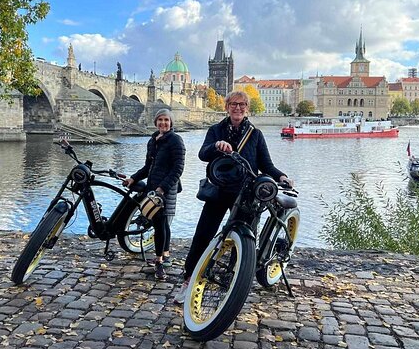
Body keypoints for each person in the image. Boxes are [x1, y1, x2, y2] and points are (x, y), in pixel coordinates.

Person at [174, 91, 293, 303]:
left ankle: (234, 282)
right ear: (227, 107)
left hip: (245, 193)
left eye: (242, 105)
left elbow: (266, 165)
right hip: (219, 191)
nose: (238, 108)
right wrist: (216, 146)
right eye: (233, 104)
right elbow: (203, 154)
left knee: (244, 239)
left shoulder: (255, 134)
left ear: (247, 108)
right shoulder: (216, 130)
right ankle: (188, 279)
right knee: (203, 234)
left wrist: (281, 176)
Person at [123, 109, 185, 280]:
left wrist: (163, 188)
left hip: (167, 189)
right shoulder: (153, 141)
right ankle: (165, 256)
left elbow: (178, 169)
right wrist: (133, 179)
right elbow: (147, 167)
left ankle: (158, 263)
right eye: (160, 120)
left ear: (171, 123)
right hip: (153, 186)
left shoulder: (175, 141)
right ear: (155, 122)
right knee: (163, 223)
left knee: (159, 224)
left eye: (166, 120)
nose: (163, 123)